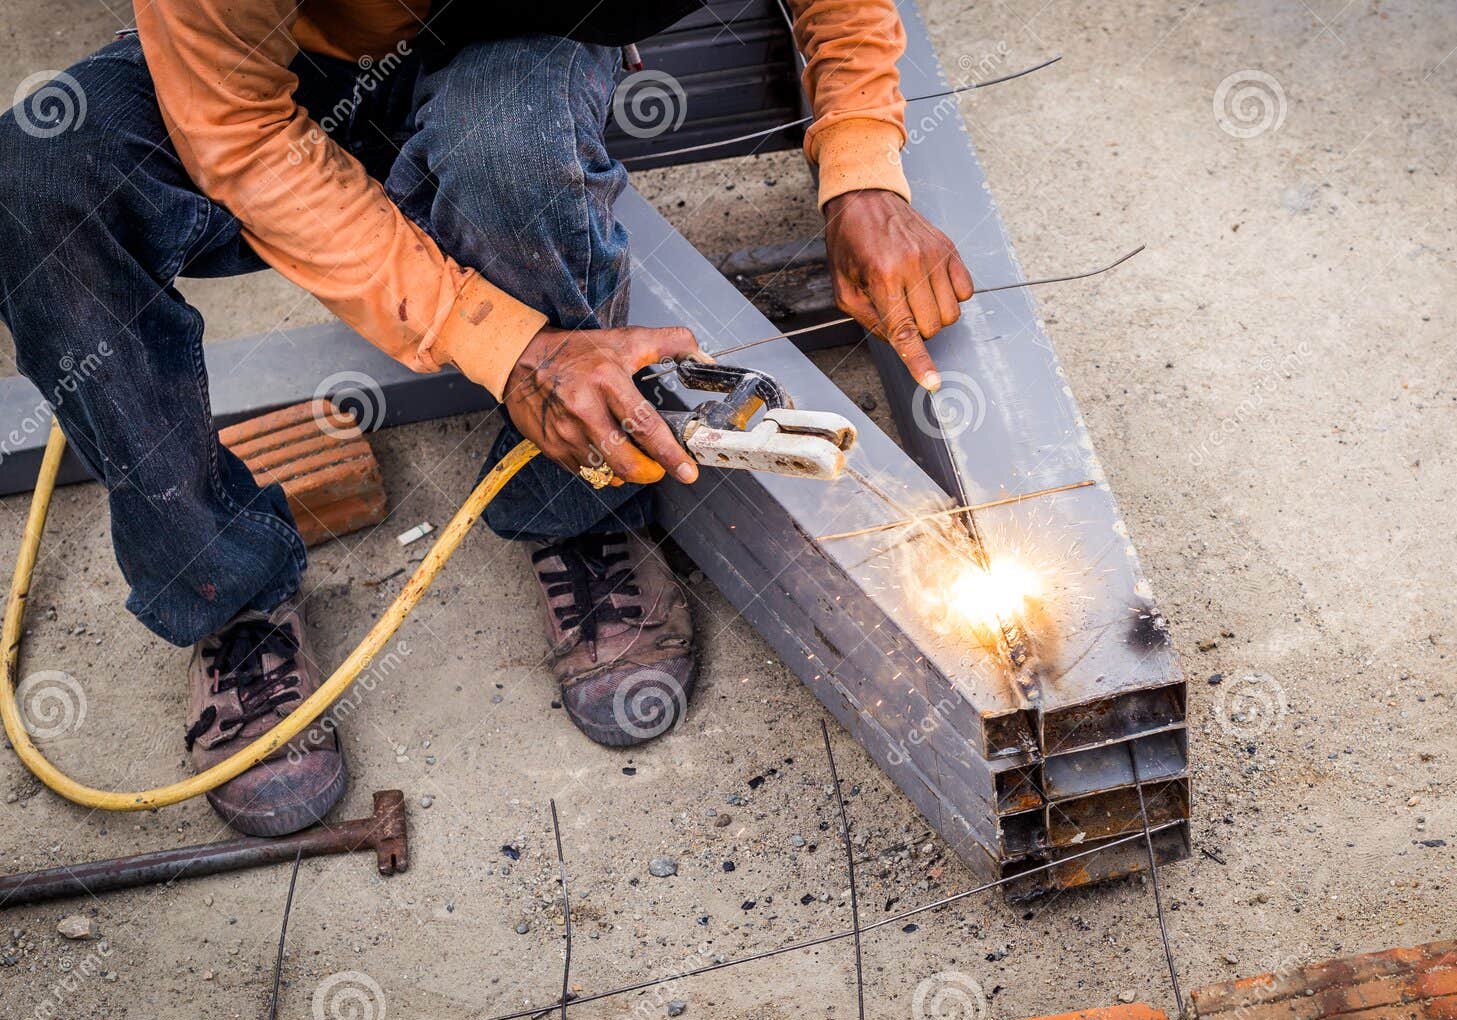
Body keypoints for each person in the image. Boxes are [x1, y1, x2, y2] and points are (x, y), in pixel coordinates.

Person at [0, 0, 973, 836]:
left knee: (508, 145)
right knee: (40, 181)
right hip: (292, 59)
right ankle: (225, 590)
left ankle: (574, 508)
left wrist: (860, 161)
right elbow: (244, 138)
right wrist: (509, 346)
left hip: (516, 39)